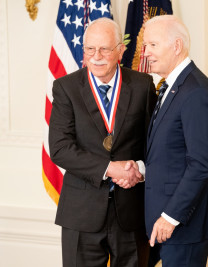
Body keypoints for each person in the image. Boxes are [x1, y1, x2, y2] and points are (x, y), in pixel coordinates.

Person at [49, 17, 157, 267]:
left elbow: (154, 144)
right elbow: (60, 149)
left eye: (105, 49)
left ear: (120, 50)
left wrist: (138, 170)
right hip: (81, 214)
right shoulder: (66, 88)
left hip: (131, 213)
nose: (96, 56)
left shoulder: (143, 86)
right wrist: (110, 169)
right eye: (90, 49)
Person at [141, 15, 208, 267]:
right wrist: (140, 167)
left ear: (176, 46)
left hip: (183, 224)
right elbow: (171, 150)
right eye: (146, 45)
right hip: (165, 222)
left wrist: (170, 217)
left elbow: (201, 164)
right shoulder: (173, 86)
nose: (146, 53)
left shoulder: (196, 91)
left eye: (153, 45)